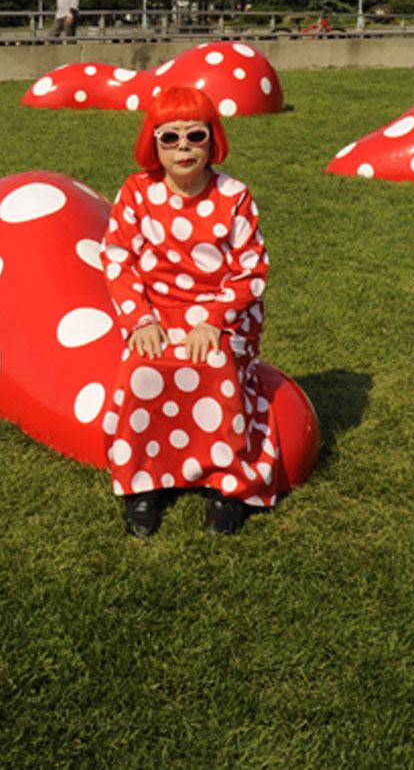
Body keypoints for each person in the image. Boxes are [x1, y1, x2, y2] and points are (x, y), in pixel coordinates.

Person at [100, 84, 275, 538]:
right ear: (153, 142)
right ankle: (143, 484)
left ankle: (228, 484)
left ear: (212, 140)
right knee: (142, 368)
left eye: (195, 136)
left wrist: (213, 321)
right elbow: (118, 259)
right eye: (170, 137)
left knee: (216, 366)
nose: (183, 148)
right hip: (157, 312)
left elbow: (250, 269)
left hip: (222, 315)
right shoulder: (137, 192)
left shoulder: (234, 195)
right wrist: (141, 319)